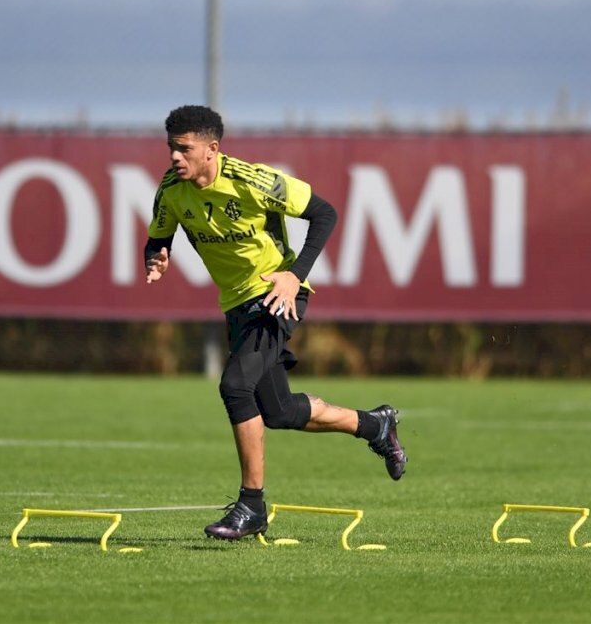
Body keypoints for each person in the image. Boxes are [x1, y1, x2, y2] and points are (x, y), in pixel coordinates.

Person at [144, 105, 406, 541]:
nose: (174, 157)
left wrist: (294, 274)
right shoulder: (171, 188)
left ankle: (252, 505)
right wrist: (156, 254)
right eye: (171, 147)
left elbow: (325, 214)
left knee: (234, 387)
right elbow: (160, 233)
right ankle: (375, 424)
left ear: (212, 149)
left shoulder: (252, 179)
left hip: (276, 294)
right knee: (280, 412)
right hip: (236, 304)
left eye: (184, 148)